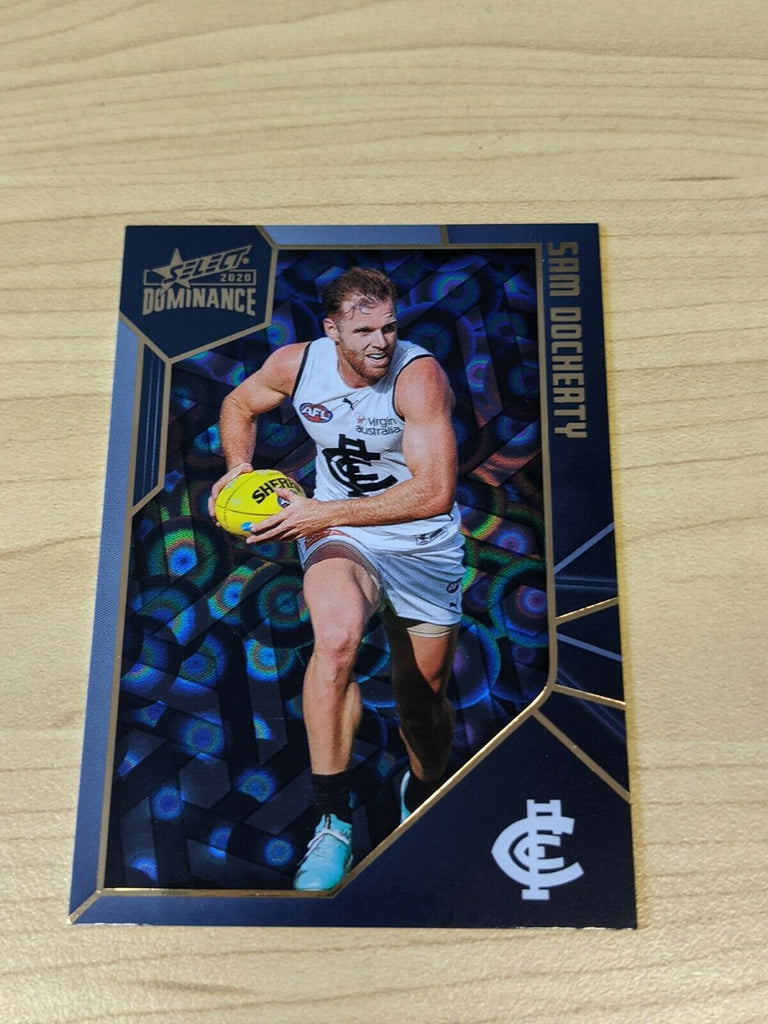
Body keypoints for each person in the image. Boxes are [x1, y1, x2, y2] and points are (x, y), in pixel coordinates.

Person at [209, 267, 464, 891]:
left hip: (422, 544)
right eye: (364, 331)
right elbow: (239, 404)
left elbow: (434, 492)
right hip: (340, 533)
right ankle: (333, 823)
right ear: (332, 330)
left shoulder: (419, 377)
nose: (381, 342)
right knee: (338, 638)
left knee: (421, 702)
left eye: (390, 328)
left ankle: (423, 791)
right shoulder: (296, 366)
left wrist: (322, 512)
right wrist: (238, 467)